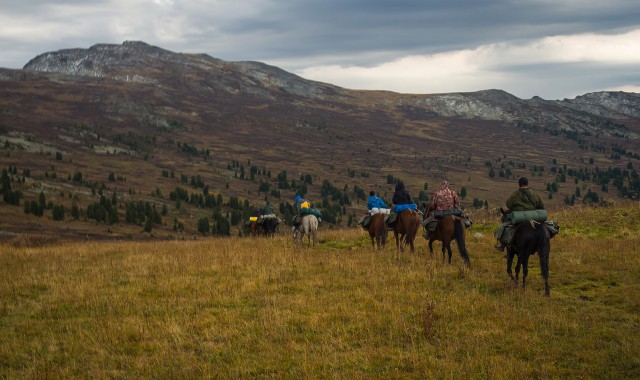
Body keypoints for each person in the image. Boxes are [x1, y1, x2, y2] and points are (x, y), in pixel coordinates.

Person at [494, 177, 545, 251]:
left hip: (519, 217)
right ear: (527, 184)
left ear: (519, 184)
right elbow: (541, 206)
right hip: (533, 217)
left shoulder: (515, 194)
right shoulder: (535, 194)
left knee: (503, 227)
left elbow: (508, 205)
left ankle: (502, 245)